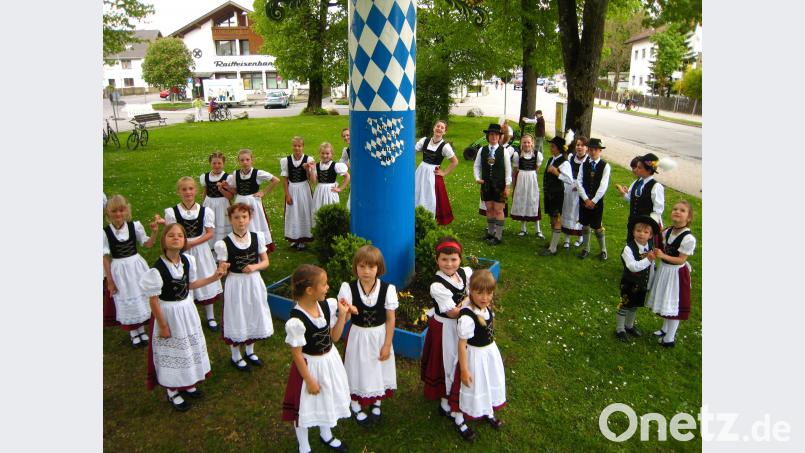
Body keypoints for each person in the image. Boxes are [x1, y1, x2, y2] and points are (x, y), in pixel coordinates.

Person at [140, 223, 227, 411]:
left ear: (184, 241)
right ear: (163, 240)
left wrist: (214, 277)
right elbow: (153, 301)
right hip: (169, 313)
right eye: (171, 235)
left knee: (188, 347)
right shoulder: (157, 270)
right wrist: (163, 326)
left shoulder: (188, 261)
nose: (176, 238)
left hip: (187, 310)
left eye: (180, 235)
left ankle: (187, 382)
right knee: (174, 351)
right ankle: (172, 389)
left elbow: (190, 284)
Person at [282, 264, 351, 453]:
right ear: (310, 290)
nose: (328, 287)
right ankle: (304, 446)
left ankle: (326, 434)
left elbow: (334, 338)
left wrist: (343, 316)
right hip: (309, 366)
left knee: (327, 398)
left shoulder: (327, 306)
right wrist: (309, 380)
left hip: (329, 361)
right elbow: (297, 354)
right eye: (324, 284)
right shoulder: (296, 321)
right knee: (304, 406)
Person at [420, 237, 474, 439]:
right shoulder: (437, 285)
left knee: (460, 360)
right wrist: (470, 302)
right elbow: (452, 312)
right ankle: (447, 401)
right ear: (437, 260)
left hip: (461, 326)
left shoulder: (465, 273)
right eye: (444, 259)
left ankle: (449, 400)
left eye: (453, 259)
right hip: (445, 328)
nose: (449, 264)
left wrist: (466, 301)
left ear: (460, 259)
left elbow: (474, 291)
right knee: (447, 362)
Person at [337, 245, 397, 426]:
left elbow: (390, 319)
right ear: (355, 267)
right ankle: (355, 402)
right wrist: (348, 311)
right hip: (358, 336)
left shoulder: (387, 289)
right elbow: (345, 319)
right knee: (357, 367)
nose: (366, 271)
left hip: (379, 336)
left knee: (378, 366)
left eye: (371, 267)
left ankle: (376, 400)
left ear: (379, 268)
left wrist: (387, 344)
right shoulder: (348, 288)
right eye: (361, 266)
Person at [213, 203, 274, 372]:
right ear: (230, 220)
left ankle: (250, 351)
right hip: (236, 283)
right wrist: (222, 269)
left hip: (254, 282)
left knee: (253, 312)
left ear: (250, 218)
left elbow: (266, 262)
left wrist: (254, 267)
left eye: (244, 217)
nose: (241, 221)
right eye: (236, 217)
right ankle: (235, 355)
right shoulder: (224, 244)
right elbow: (222, 267)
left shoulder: (257, 238)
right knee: (237, 315)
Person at [448, 269, 506, 440]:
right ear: (471, 291)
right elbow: (462, 344)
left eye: (489, 293)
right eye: (480, 293)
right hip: (473, 358)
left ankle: (487, 410)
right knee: (468, 387)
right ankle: (459, 419)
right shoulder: (467, 317)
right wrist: (464, 370)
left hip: (488, 355)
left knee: (487, 382)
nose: (485, 298)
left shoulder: (486, 309)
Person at [161, 177, 223, 332]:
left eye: (190, 189)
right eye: (184, 189)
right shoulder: (172, 212)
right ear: (178, 192)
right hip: (181, 251)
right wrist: (182, 245)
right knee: (184, 279)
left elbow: (210, 233)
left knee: (204, 275)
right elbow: (171, 233)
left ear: (196, 190)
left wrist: (192, 243)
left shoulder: (205, 211)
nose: (188, 192)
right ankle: (188, 315)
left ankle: (210, 316)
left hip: (201, 250)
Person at [103, 195, 160, 348]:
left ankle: (141, 329)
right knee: (126, 295)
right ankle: (133, 332)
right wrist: (110, 281)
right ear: (108, 213)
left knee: (140, 295)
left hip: (136, 267)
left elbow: (148, 244)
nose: (118, 214)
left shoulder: (134, 226)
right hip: (119, 270)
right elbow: (105, 257)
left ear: (127, 210)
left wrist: (154, 232)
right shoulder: (105, 233)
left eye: (121, 210)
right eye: (114, 211)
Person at [645, 200, 697, 348]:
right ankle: (664, 329)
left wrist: (663, 256)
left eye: (682, 210)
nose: (677, 211)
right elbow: (660, 242)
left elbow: (681, 259)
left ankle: (669, 338)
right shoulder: (668, 231)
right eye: (675, 209)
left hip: (676, 274)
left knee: (674, 305)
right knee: (666, 300)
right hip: (665, 270)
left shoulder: (688, 238)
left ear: (688, 218)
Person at [221, 149, 279, 253]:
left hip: (253, 203)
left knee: (255, 224)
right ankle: (242, 246)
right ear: (238, 161)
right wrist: (227, 187)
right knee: (241, 223)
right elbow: (236, 191)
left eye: (247, 159)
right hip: (239, 202)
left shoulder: (257, 173)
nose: (245, 162)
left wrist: (263, 192)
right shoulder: (236, 174)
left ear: (252, 160)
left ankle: (257, 247)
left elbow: (275, 180)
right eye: (242, 160)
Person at [615, 216, 659, 342]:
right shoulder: (628, 249)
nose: (641, 234)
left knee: (635, 305)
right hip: (629, 283)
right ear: (633, 232)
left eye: (646, 232)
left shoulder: (650, 245)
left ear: (650, 235)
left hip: (642, 284)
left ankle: (629, 326)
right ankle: (619, 329)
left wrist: (650, 281)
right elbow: (632, 267)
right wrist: (648, 259)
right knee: (624, 305)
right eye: (638, 231)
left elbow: (652, 266)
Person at [474, 124, 512, 245]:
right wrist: (477, 178)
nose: (494, 137)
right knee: (489, 208)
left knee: (498, 210)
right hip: (486, 184)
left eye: (496, 135)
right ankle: (490, 233)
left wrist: (507, 186)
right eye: (491, 134)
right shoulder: (482, 150)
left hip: (499, 185)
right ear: (488, 136)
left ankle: (498, 236)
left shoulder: (504, 151)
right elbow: (476, 165)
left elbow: (508, 170)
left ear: (499, 137)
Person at [415, 120, 459, 225]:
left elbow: (455, 161)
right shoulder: (424, 141)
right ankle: (415, 213)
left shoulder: (445, 146)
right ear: (434, 128)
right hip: (421, 170)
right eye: (437, 126)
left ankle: (428, 217)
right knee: (417, 191)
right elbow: (412, 151)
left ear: (445, 131)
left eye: (442, 128)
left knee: (430, 195)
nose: (439, 129)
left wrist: (444, 173)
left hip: (433, 173)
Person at [616, 153, 665, 245]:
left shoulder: (656, 187)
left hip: (645, 229)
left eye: (639, 167)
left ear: (649, 170)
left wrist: (649, 227)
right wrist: (623, 193)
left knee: (643, 250)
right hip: (633, 224)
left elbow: (658, 210)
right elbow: (632, 199)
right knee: (631, 247)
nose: (636, 170)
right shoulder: (637, 182)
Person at [576, 138, 611, 260]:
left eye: (595, 150)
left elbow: (603, 185)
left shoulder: (605, 166)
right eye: (590, 149)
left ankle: (603, 250)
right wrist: (586, 199)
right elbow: (579, 182)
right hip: (584, 200)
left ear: (600, 151)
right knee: (585, 224)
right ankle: (586, 248)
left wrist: (594, 200)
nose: (593, 152)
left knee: (597, 226)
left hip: (597, 201)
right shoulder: (584, 164)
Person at [540, 136, 573, 256]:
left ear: (559, 148)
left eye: (553, 146)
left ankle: (553, 248)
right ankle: (553, 243)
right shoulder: (551, 159)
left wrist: (557, 173)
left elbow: (569, 180)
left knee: (557, 219)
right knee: (552, 219)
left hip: (558, 194)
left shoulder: (564, 163)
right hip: (549, 194)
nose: (550, 148)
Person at [281, 136, 316, 250]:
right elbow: (285, 179)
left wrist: (308, 169)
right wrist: (287, 194)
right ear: (292, 146)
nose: (297, 148)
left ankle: (304, 239)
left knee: (304, 211)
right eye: (295, 146)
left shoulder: (308, 159)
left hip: (304, 188)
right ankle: (294, 237)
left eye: (299, 146)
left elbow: (312, 180)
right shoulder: (286, 160)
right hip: (292, 188)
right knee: (293, 213)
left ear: (303, 147)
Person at [510, 134, 544, 238]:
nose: (526, 144)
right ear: (521, 143)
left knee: (534, 201)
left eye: (528, 142)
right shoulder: (517, 155)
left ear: (532, 143)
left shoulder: (537, 155)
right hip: (521, 180)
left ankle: (538, 229)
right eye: (524, 142)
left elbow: (536, 169)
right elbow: (514, 172)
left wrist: (530, 176)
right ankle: (523, 228)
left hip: (531, 180)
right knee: (522, 201)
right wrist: (514, 186)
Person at [311, 142, 350, 227]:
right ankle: (319, 229)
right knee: (318, 209)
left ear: (331, 154)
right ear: (319, 153)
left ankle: (332, 230)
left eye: (327, 153)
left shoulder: (335, 165)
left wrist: (340, 188)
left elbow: (347, 176)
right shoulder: (316, 166)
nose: (325, 156)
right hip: (319, 191)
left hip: (330, 191)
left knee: (331, 210)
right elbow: (314, 182)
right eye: (322, 153)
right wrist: (313, 170)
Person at [200, 151, 234, 245]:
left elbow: (231, 196)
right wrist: (202, 205)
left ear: (223, 164)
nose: (217, 165)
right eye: (214, 163)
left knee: (221, 223)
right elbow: (205, 191)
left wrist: (222, 189)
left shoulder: (228, 178)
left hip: (222, 205)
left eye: (219, 163)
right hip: (209, 204)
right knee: (209, 223)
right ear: (210, 163)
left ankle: (222, 245)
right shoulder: (205, 177)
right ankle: (210, 245)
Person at [562, 135, 588, 249]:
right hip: (569, 187)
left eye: (582, 145)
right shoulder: (571, 157)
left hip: (581, 189)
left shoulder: (587, 160)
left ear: (586, 148)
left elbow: (587, 177)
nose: (579, 147)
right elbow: (567, 172)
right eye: (578, 145)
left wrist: (579, 186)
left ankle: (580, 238)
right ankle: (567, 238)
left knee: (578, 213)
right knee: (568, 211)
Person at [338, 128, 352, 211]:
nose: (346, 137)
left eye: (347, 135)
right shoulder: (347, 150)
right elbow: (341, 161)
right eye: (344, 136)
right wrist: (348, 165)